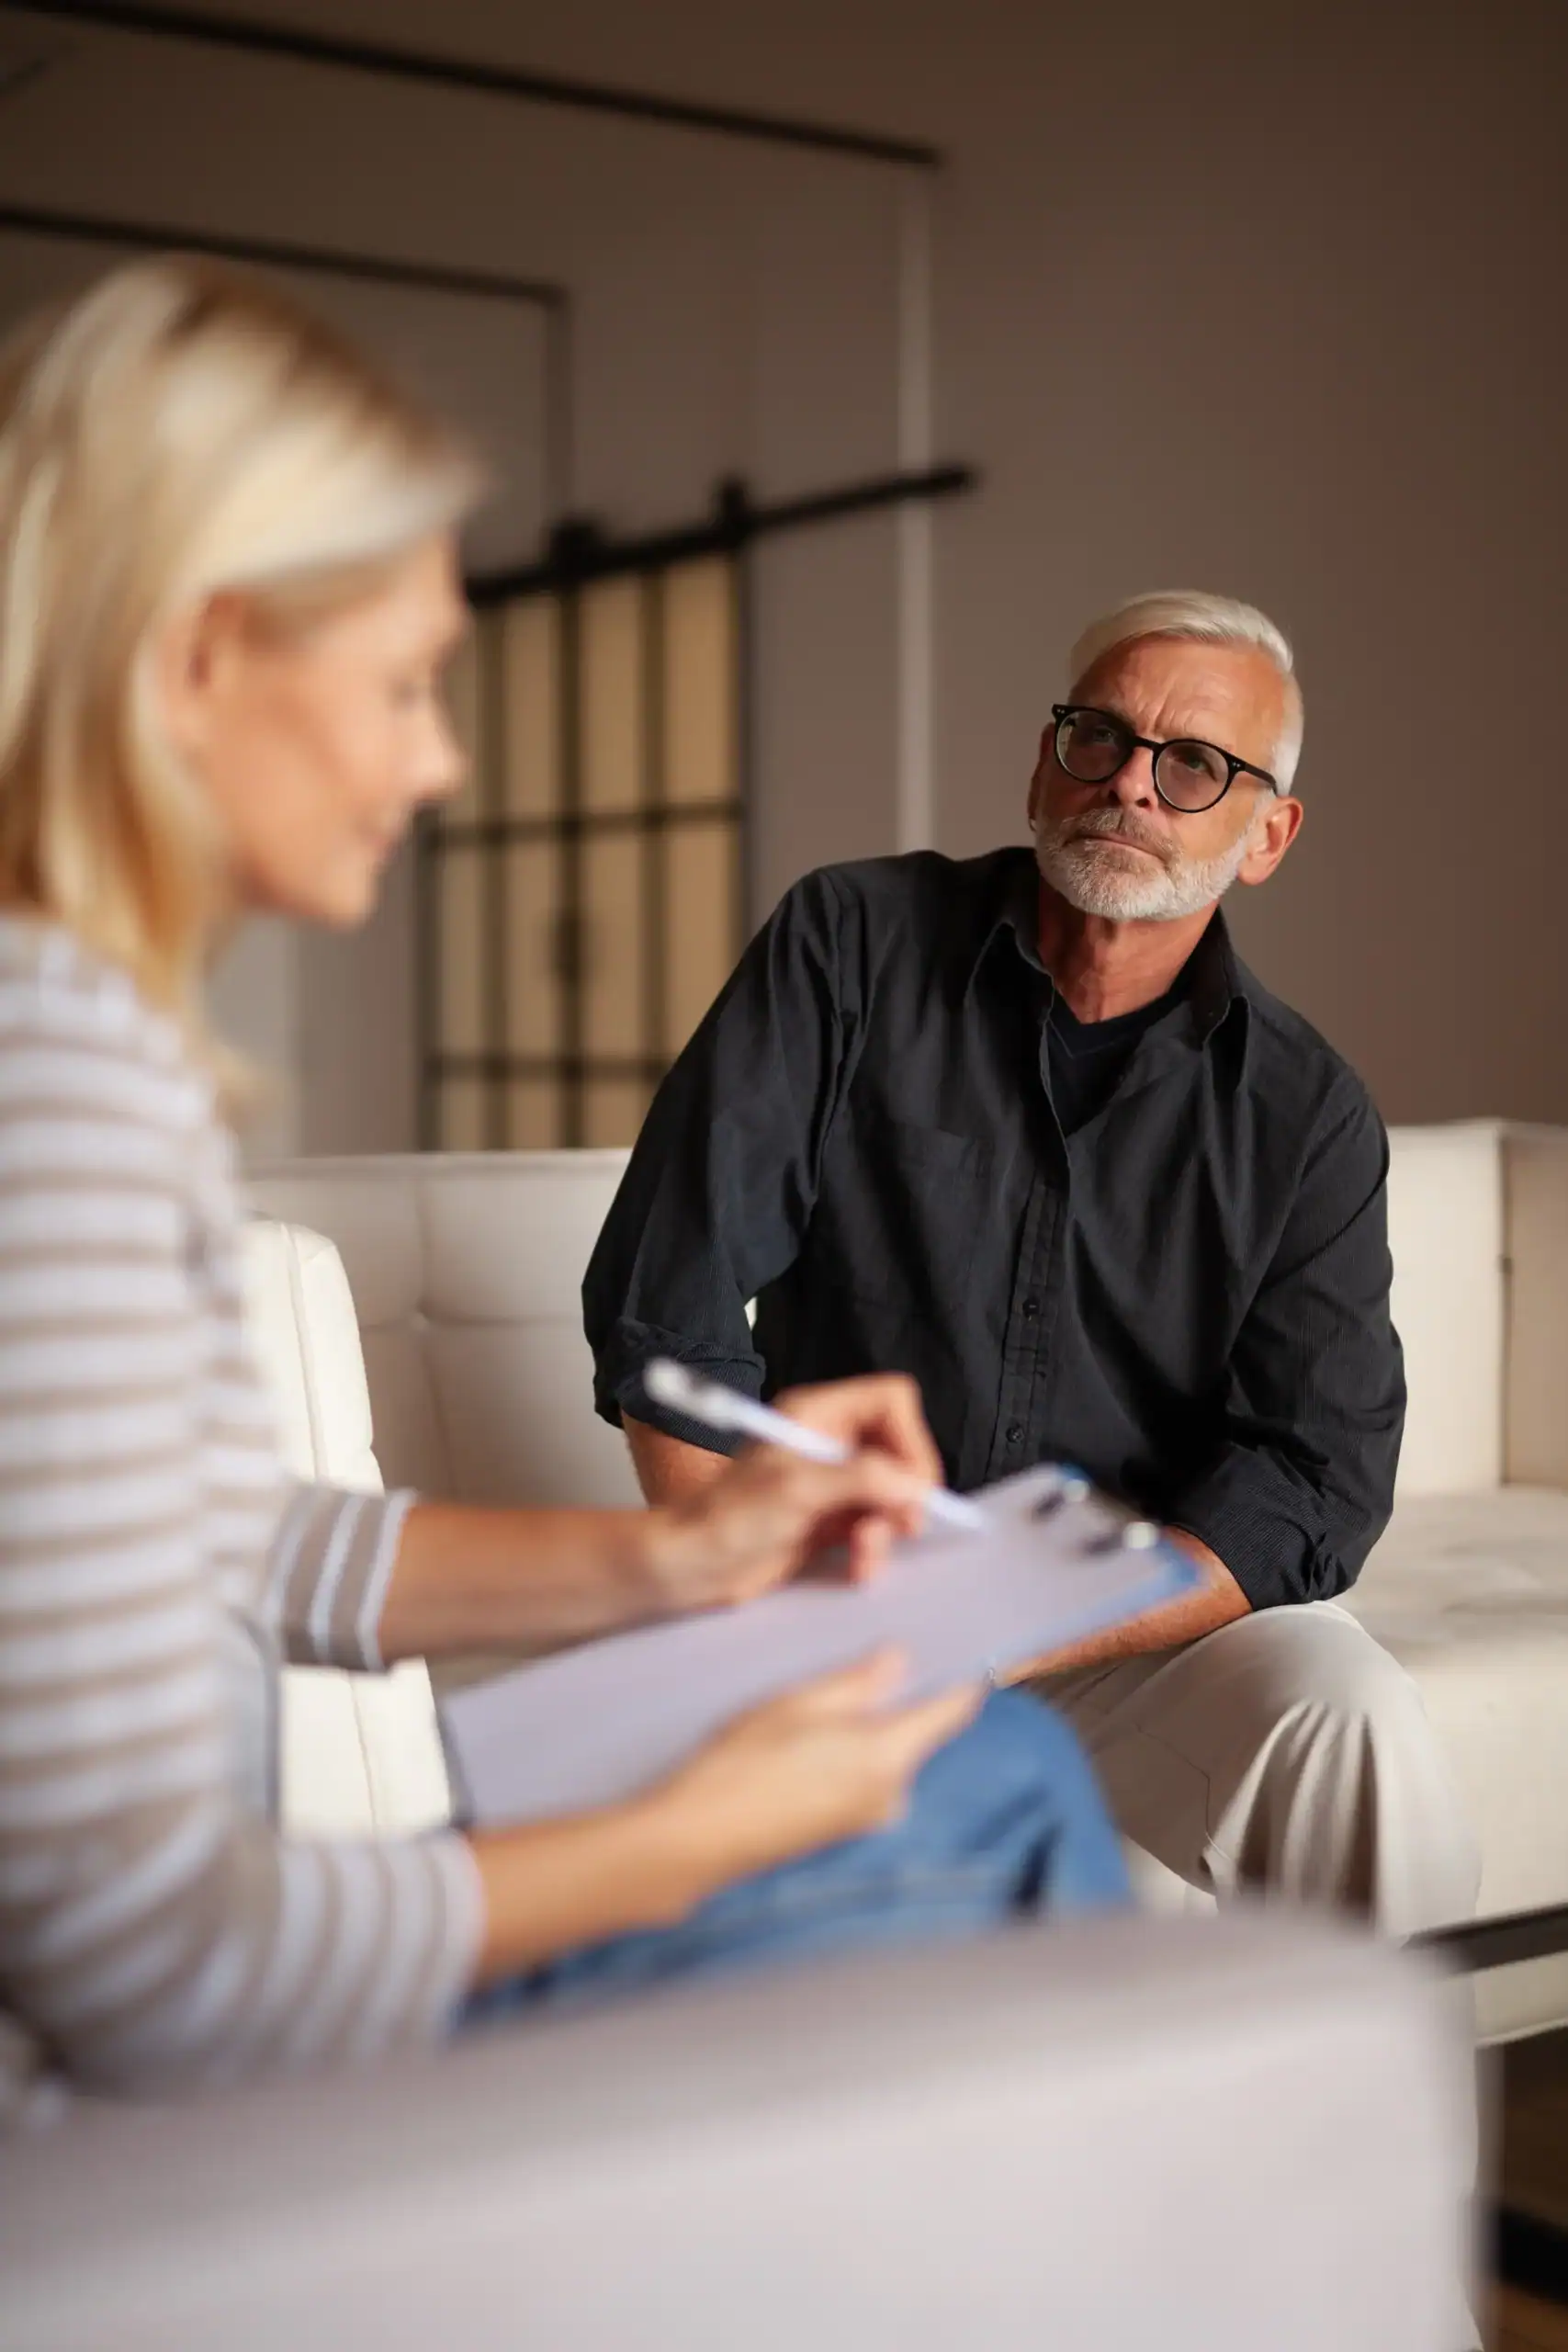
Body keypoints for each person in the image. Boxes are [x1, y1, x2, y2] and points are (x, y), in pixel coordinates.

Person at [0, 260, 1130, 2128]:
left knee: (984, 1772)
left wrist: (678, 1553)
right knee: (999, 1778)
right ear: (196, 656)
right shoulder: (59, 1088)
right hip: (132, 2128)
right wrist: (705, 1825)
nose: (440, 759)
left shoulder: (63, 1031)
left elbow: (222, 1534)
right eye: (406, 682)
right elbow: (159, 1971)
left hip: (167, 2029)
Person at [585, 589, 1482, 1936]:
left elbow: (1316, 1477)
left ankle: (1382, 2137)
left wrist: (1011, 1631)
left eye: (1193, 766)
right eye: (1096, 736)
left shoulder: (1304, 1112)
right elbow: (669, 1315)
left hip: (1116, 1629)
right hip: (836, 1605)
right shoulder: (850, 945)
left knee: (1344, 1714)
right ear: (1038, 760)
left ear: (1265, 836)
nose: (1128, 782)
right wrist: (758, 1621)